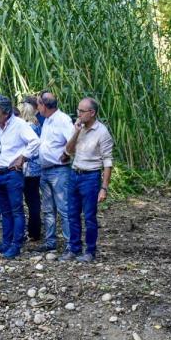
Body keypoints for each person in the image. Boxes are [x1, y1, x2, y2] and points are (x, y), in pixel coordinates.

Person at [0, 95, 40, 259]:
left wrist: (23, 157)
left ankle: (16, 245)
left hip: (13, 173)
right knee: (5, 211)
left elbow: (35, 141)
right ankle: (5, 243)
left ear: (5, 112)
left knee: (16, 210)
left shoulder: (19, 125)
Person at [62, 97, 113, 263]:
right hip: (74, 173)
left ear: (92, 113)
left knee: (90, 216)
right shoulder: (78, 128)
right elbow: (68, 151)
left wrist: (104, 188)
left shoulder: (102, 132)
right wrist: (76, 131)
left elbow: (107, 161)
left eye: (82, 111)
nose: (78, 114)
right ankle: (74, 248)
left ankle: (90, 251)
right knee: (72, 214)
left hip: (91, 177)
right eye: (78, 110)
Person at [35, 90, 74, 253]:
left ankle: (71, 243)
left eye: (38, 104)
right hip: (45, 170)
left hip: (59, 171)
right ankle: (50, 241)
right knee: (48, 208)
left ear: (44, 105)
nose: (37, 107)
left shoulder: (62, 120)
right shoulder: (48, 120)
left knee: (63, 207)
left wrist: (67, 153)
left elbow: (73, 138)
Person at [18, 99, 43, 243]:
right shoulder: (37, 126)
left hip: (26, 169)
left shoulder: (25, 128)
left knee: (25, 201)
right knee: (34, 201)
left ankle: (30, 231)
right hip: (36, 169)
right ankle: (35, 231)